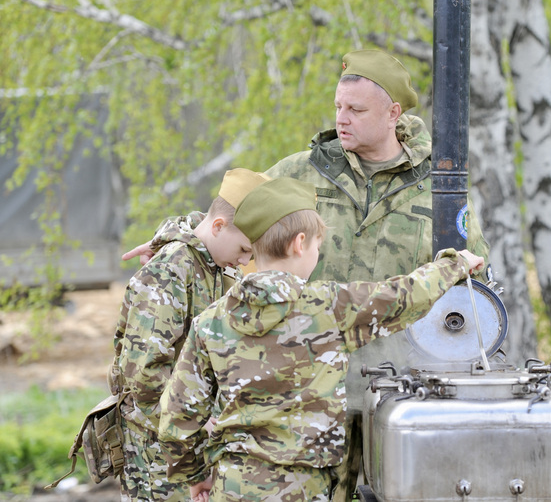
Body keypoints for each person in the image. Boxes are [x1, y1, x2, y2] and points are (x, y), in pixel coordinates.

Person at [123, 49, 491, 500]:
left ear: (394, 113)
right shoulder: (302, 171)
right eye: (338, 106)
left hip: (397, 395)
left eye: (355, 110)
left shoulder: (439, 185)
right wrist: (177, 240)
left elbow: (474, 269)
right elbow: (232, 219)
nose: (342, 118)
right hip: (304, 403)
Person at [157, 177, 485, 501]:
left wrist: (194, 476)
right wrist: (454, 265)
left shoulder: (210, 322)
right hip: (305, 487)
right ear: (300, 243)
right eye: (317, 246)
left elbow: (177, 415)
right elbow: (404, 295)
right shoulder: (329, 306)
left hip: (233, 484)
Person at [108, 168, 270, 502]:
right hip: (161, 457)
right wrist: (193, 433)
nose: (244, 262)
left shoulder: (212, 262)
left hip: (190, 445)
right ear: (218, 226)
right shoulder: (171, 269)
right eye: (243, 250)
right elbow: (145, 376)